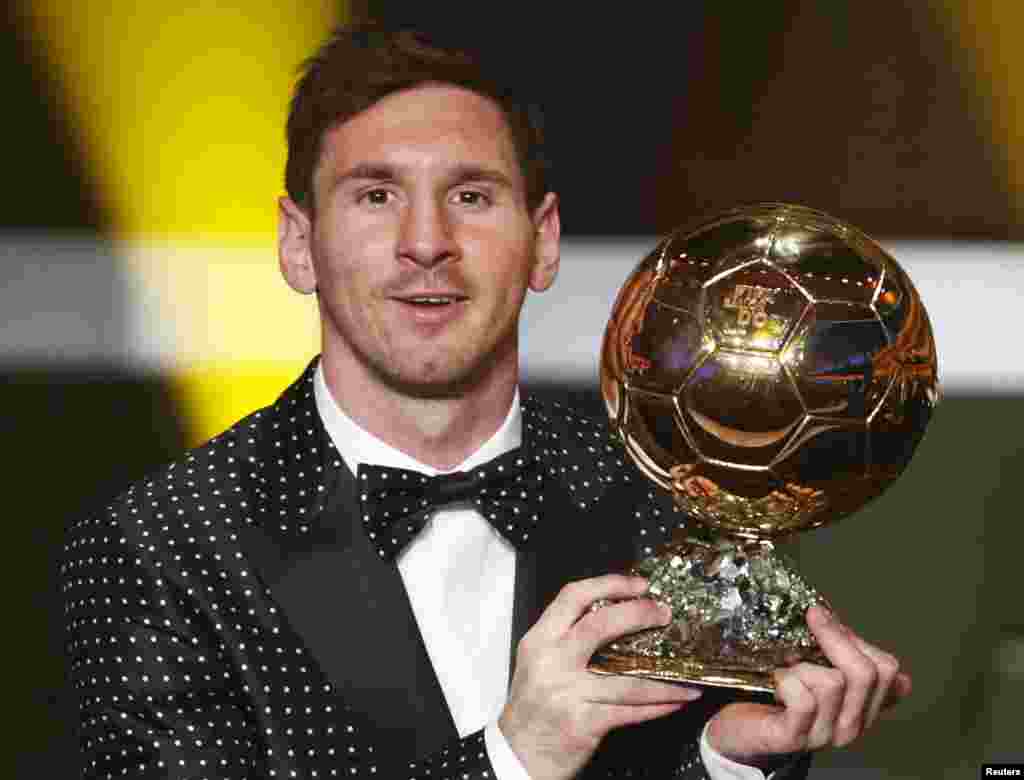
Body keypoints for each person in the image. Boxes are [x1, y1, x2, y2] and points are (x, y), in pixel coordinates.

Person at [62, 25, 911, 780]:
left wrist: (724, 761)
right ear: (298, 244)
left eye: (471, 196)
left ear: (542, 242)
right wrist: (516, 757)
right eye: (376, 195)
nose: (426, 243)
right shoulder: (156, 550)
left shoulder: (664, 506)